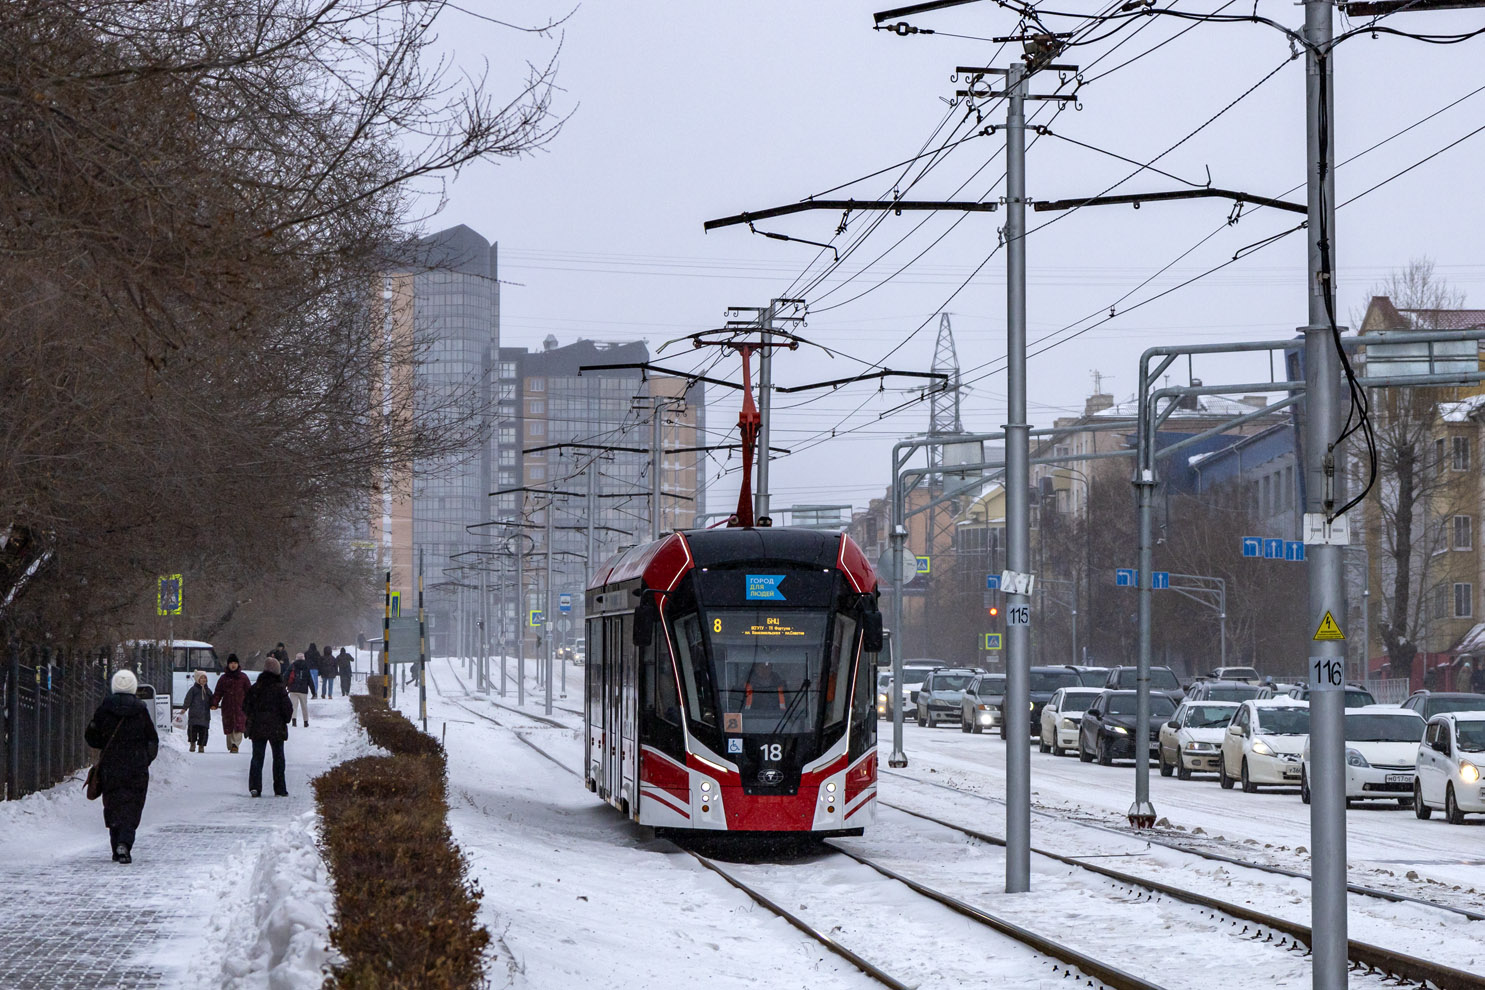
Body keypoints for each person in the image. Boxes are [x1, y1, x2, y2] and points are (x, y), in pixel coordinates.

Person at [84, 670, 159, 864]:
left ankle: (116, 845)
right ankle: (125, 843)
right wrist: (145, 758)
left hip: (111, 766)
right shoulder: (141, 710)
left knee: (113, 804)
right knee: (132, 805)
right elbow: (152, 738)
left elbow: (92, 738)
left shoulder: (104, 709)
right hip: (136, 767)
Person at [243, 657, 294, 798]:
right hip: (276, 728)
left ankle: (255, 787)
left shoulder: (256, 688)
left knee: (257, 758)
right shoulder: (280, 689)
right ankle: (280, 788)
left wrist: (253, 717)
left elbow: (246, 706)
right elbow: (288, 709)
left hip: (258, 728)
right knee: (278, 758)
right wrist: (284, 720)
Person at [211, 654, 251, 753]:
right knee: (229, 726)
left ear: (238, 664)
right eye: (231, 663)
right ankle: (231, 745)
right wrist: (214, 703)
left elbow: (249, 692)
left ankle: (235, 745)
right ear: (228, 665)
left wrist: (251, 703)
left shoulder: (243, 677)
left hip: (240, 706)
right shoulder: (223, 678)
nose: (233, 665)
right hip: (227, 706)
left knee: (238, 726)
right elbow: (218, 692)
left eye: (235, 663)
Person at [182, 671, 213, 753]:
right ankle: (192, 743)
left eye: (205, 678)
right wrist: (185, 708)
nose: (203, 680)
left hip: (205, 715)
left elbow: (212, 700)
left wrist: (214, 704)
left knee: (204, 731)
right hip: (194, 715)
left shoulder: (208, 691)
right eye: (201, 678)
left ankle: (201, 745)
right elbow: (188, 699)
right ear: (197, 679)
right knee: (193, 731)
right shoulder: (193, 690)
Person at [287, 651, 315, 725]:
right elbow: (310, 680)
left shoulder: (292, 666)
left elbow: (286, 676)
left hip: (293, 689)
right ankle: (305, 722)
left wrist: (284, 686)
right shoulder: (306, 666)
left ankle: (294, 721)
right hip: (303, 690)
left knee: (294, 706)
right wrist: (313, 692)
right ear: (303, 658)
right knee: (304, 706)